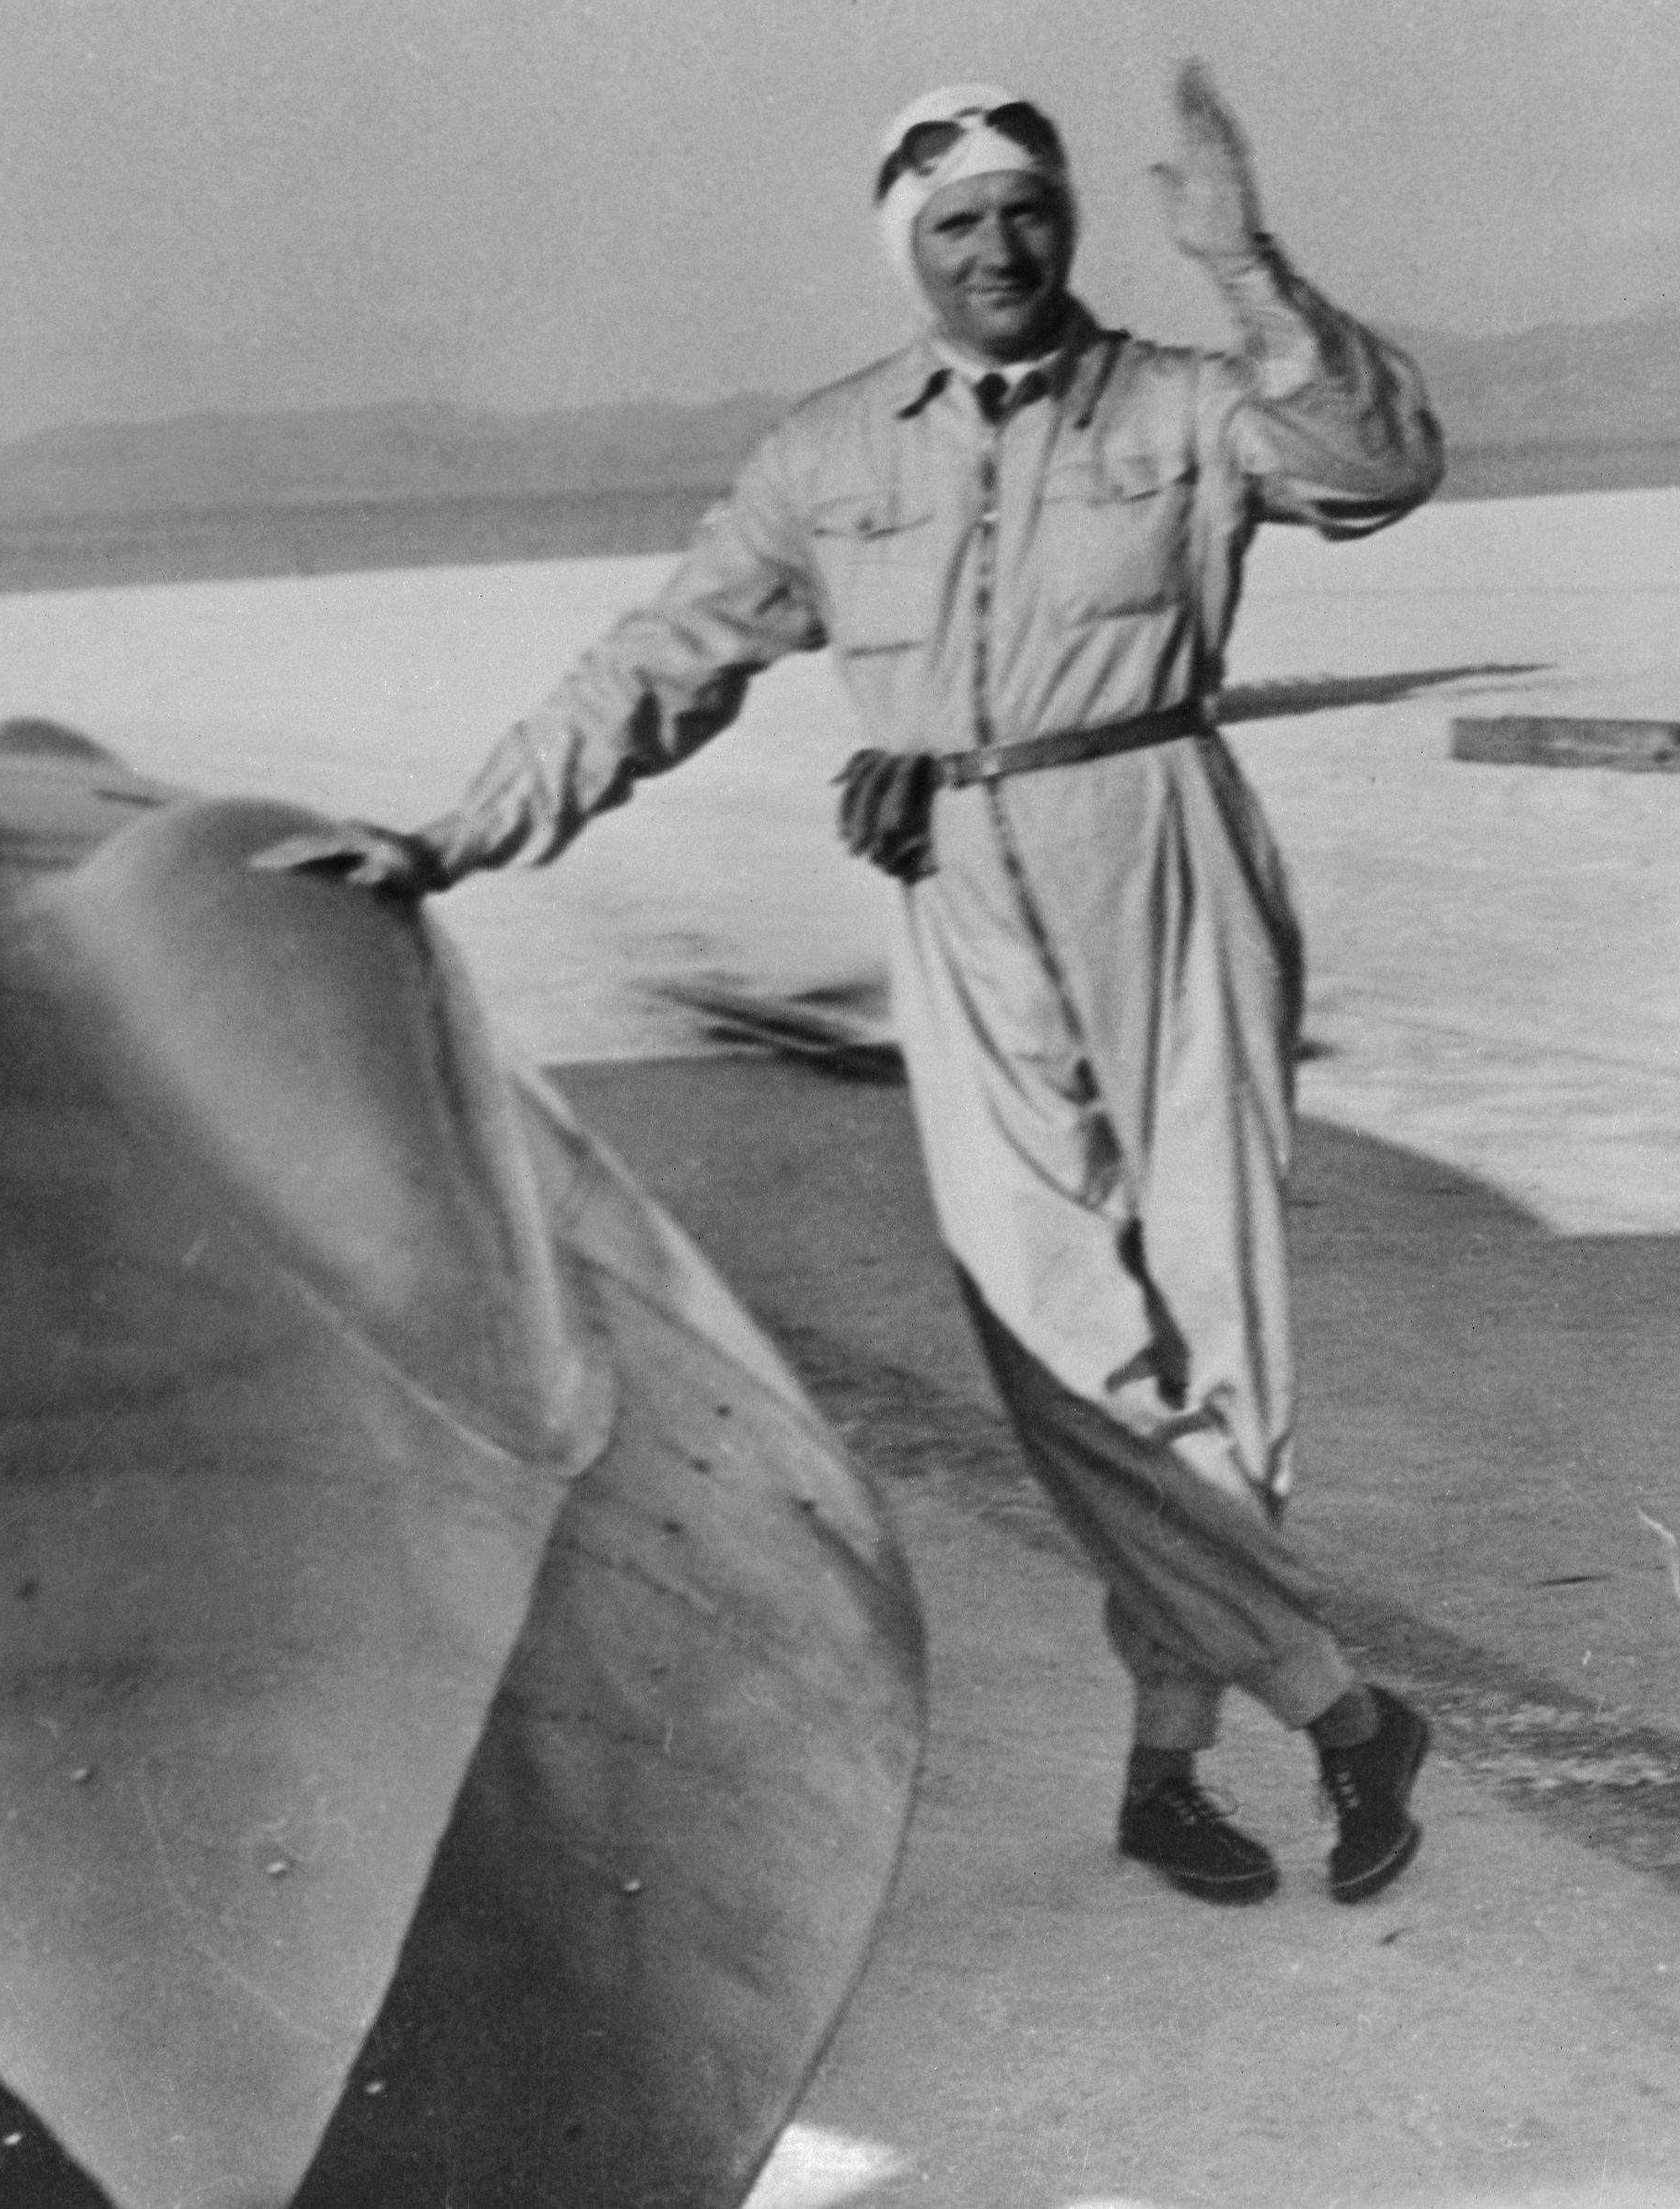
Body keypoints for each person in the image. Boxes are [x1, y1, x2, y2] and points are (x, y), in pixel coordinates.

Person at [262, 64, 1440, 1906]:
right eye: (956, 222)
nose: (996, 248)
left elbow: (1378, 465)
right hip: (957, 887)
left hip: (1165, 847)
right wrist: (450, 838)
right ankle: (1341, 1710)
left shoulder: (1183, 401)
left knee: (1218, 1344)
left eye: (1024, 210)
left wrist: (1247, 266)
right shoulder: (823, 459)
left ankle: (1162, 1773)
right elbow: (656, 665)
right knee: (1051, 1343)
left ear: (1066, 222)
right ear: (905, 249)